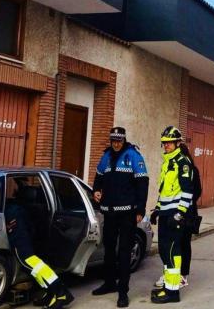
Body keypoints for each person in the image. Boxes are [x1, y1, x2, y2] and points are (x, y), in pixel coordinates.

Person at [91, 127, 149, 308]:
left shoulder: (133, 155)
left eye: (119, 140)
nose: (116, 143)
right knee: (109, 248)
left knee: (124, 251)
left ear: (124, 140)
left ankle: (123, 291)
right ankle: (109, 284)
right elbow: (98, 178)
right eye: (113, 140)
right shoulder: (106, 156)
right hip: (109, 212)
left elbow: (142, 183)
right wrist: (96, 191)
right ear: (110, 140)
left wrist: (140, 210)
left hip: (127, 213)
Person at [4, 186, 73, 309]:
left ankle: (61, 293)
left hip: (22, 241)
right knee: (35, 268)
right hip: (29, 238)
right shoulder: (20, 208)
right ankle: (51, 292)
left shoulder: (14, 210)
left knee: (33, 265)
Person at [149, 126, 194, 304]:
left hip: (175, 215)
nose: (166, 146)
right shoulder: (167, 162)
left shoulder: (182, 162)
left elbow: (187, 191)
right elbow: (165, 191)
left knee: (172, 251)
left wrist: (180, 213)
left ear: (177, 143)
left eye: (169, 143)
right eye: (164, 143)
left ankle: (173, 292)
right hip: (165, 214)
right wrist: (158, 209)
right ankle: (168, 287)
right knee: (164, 251)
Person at [154, 142, 200, 289]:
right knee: (171, 247)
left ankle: (182, 276)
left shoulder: (190, 169)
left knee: (183, 244)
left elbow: (195, 191)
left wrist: (183, 208)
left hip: (186, 213)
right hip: (173, 212)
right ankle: (170, 276)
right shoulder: (170, 166)